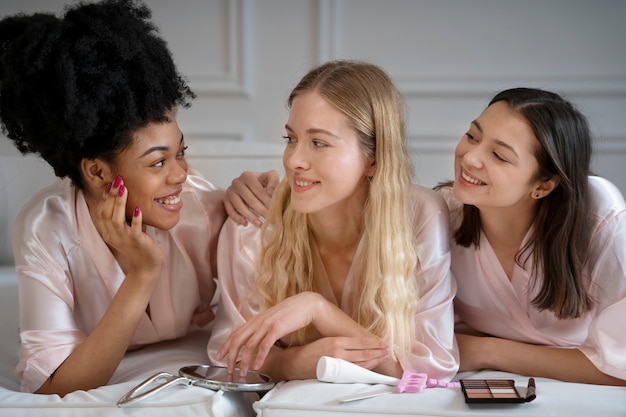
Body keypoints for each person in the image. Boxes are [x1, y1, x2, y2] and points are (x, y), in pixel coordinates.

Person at [226, 87, 626, 386]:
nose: (470, 157)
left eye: (500, 155)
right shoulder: (442, 215)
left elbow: (620, 369)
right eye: (473, 135)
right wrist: (243, 189)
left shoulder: (599, 219)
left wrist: (487, 350)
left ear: (544, 184)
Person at [0, 0, 225, 395]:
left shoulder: (204, 208)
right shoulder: (44, 227)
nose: (181, 175)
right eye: (158, 163)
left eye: (181, 152)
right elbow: (54, 386)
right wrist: (142, 272)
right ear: (99, 172)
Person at [207, 60, 459, 382]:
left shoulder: (420, 216)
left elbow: (434, 369)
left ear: (374, 158)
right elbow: (227, 358)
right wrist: (291, 363)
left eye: (319, 143)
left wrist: (319, 310)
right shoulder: (253, 226)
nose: (294, 160)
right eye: (290, 139)